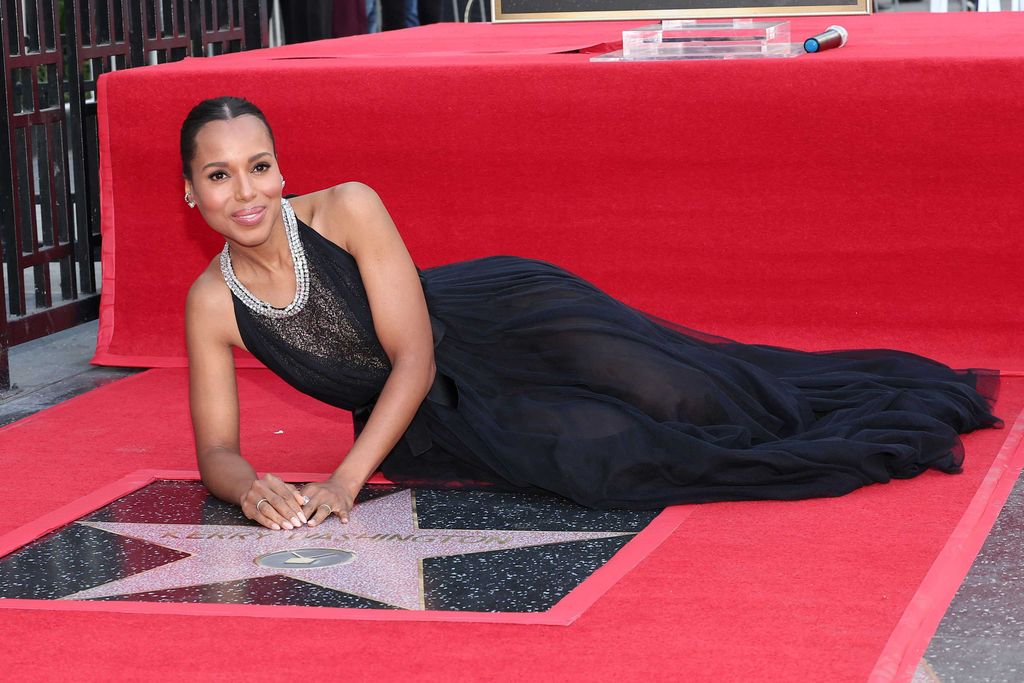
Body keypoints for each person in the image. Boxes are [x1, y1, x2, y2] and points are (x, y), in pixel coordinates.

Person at [182, 96, 1001, 532]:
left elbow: (416, 357)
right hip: (437, 417)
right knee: (611, 459)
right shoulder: (212, 303)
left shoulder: (349, 207)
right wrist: (250, 487)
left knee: (693, 398)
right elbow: (216, 449)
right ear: (191, 194)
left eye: (257, 165)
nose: (244, 190)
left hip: (502, 320)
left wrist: (346, 476)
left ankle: (891, 398)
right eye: (219, 176)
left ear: (281, 170)